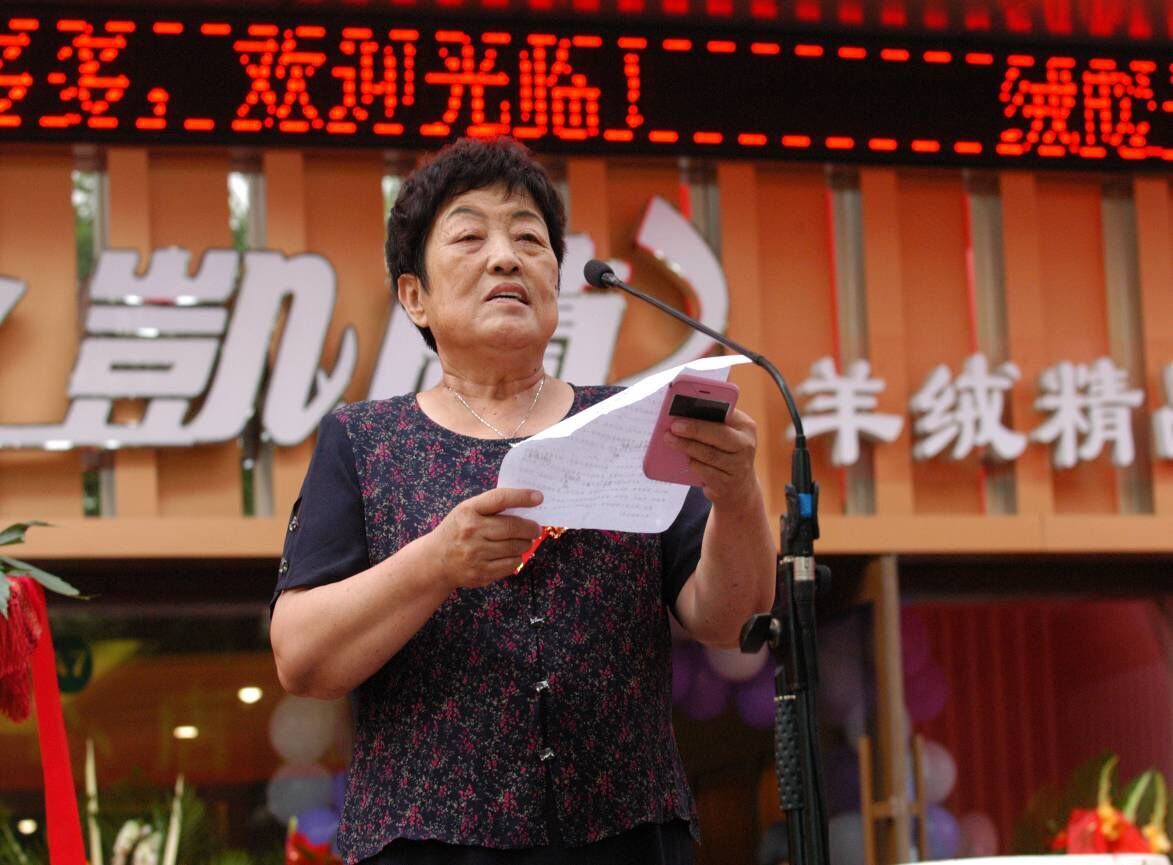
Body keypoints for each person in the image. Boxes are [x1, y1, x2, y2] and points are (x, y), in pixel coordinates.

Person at [269, 136, 775, 865]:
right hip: (428, 848)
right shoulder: (362, 440)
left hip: (628, 840)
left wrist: (736, 494)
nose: (506, 257)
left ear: (556, 284)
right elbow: (300, 658)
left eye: (529, 240)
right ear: (414, 295)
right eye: (469, 237)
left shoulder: (631, 422)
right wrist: (436, 563)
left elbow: (730, 621)